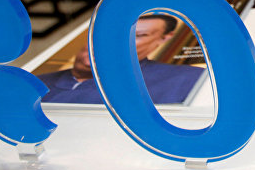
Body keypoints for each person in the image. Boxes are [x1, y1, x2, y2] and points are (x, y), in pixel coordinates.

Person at [38, 14, 203, 104]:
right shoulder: (38, 82)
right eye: (110, 34)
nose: (116, 43)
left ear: (165, 38)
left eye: (138, 36)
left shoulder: (185, 79)